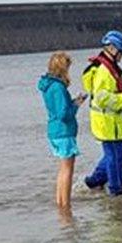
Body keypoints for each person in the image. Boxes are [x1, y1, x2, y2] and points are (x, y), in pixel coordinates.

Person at [82, 30, 122, 196]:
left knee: (119, 151)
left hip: (113, 121)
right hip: (109, 122)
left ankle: (94, 181)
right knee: (115, 156)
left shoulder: (108, 67)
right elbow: (102, 98)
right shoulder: (104, 71)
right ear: (113, 49)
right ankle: (116, 192)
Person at [38, 52, 86, 208]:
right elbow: (64, 114)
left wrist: (72, 102)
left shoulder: (49, 86)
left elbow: (59, 109)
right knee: (67, 170)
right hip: (63, 131)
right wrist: (76, 105)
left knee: (62, 170)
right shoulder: (58, 87)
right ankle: (65, 204)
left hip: (54, 131)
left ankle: (61, 203)